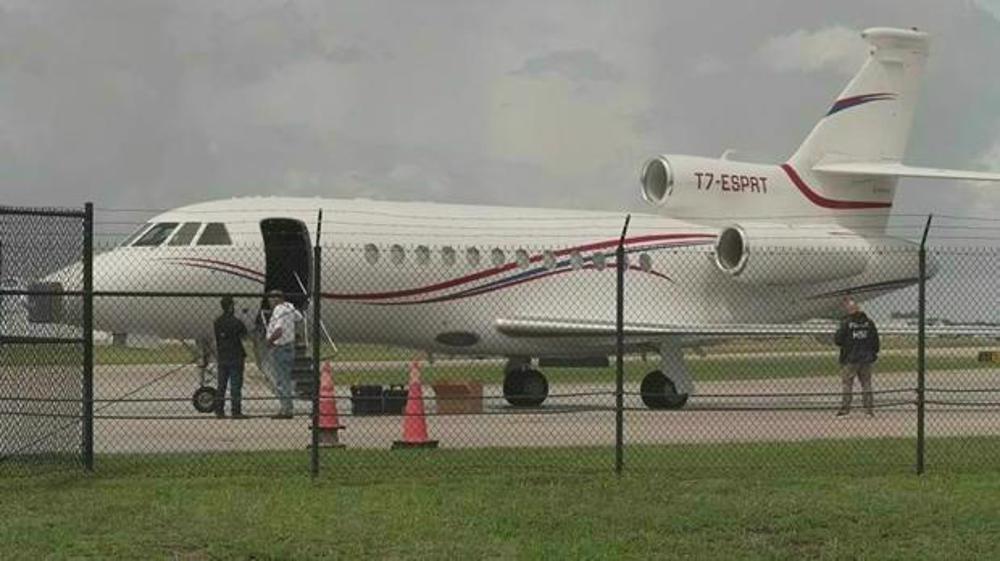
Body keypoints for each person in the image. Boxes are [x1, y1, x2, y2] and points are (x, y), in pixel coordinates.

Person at [834, 298, 880, 417]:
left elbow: (838, 340)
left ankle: (845, 408)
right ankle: (868, 409)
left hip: (850, 358)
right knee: (866, 383)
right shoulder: (868, 323)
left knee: (847, 384)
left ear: (850, 310)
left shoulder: (847, 323)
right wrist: (873, 353)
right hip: (866, 357)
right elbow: (875, 340)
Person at [265, 289, 301, 419]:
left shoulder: (279, 309)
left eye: (271, 299)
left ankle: (286, 409)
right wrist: (291, 331)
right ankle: (287, 407)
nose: (269, 302)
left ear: (277, 299)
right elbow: (299, 318)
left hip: (280, 347)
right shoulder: (290, 307)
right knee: (286, 378)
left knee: (281, 380)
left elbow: (278, 330)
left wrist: (269, 341)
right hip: (290, 347)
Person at [213, 296, 248, 419]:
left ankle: (219, 410)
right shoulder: (236, 322)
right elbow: (244, 335)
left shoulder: (217, 322)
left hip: (222, 355)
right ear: (231, 307)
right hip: (236, 355)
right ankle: (236, 411)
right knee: (235, 385)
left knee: (221, 385)